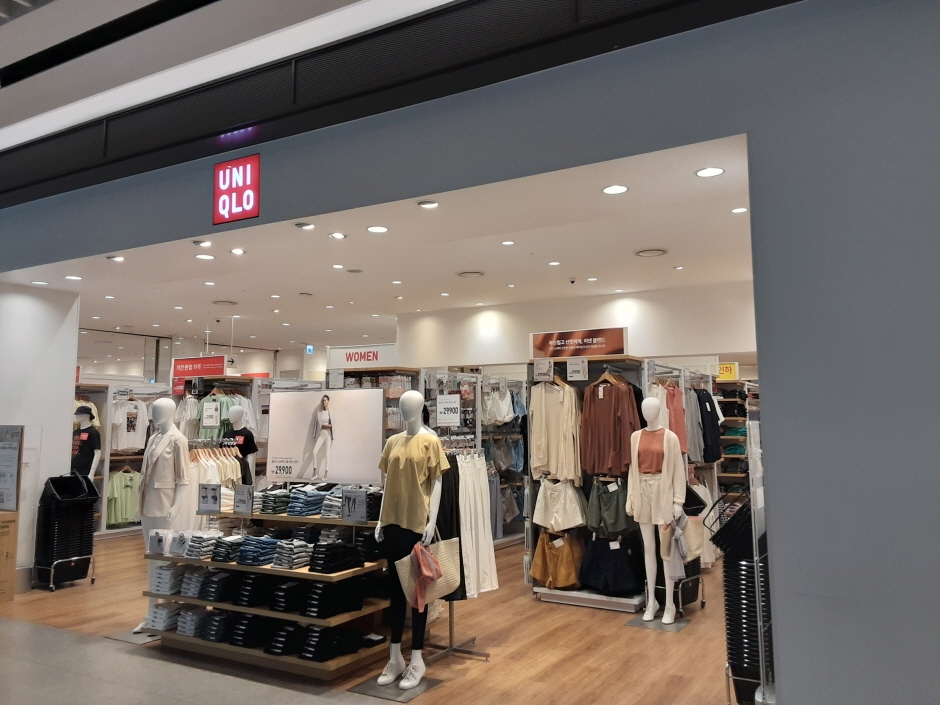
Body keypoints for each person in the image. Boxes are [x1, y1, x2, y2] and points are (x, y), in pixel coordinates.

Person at [312, 395, 333, 479]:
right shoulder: (319, 412)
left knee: (327, 454)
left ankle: (326, 474)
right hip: (321, 434)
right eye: (323, 401)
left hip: (328, 434)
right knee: (314, 451)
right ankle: (315, 473)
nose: (324, 402)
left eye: (325, 400)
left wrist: (325, 425)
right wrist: (325, 426)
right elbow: (317, 425)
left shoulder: (330, 412)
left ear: (328, 401)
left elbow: (333, 425)